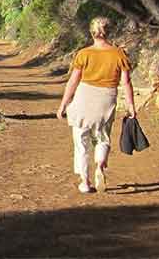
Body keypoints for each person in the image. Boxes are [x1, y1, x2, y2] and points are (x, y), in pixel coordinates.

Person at [56, 17, 136, 194]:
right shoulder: (118, 54)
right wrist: (131, 105)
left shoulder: (84, 54)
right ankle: (100, 165)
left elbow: (73, 82)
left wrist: (63, 104)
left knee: (81, 143)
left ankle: (85, 182)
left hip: (83, 98)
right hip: (106, 99)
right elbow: (126, 82)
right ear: (110, 32)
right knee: (102, 138)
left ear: (91, 33)